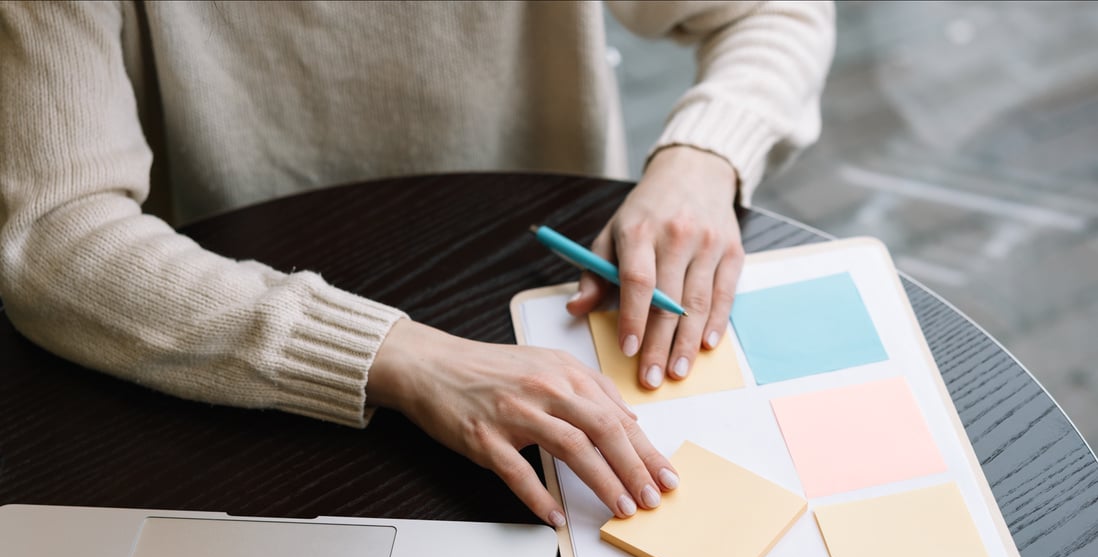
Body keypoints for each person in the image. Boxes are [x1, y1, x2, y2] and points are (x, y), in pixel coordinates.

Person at [0, 1, 835, 528]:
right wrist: (400, 356)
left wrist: (700, 158)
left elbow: (773, 12)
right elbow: (54, 237)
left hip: (546, 303)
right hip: (233, 360)